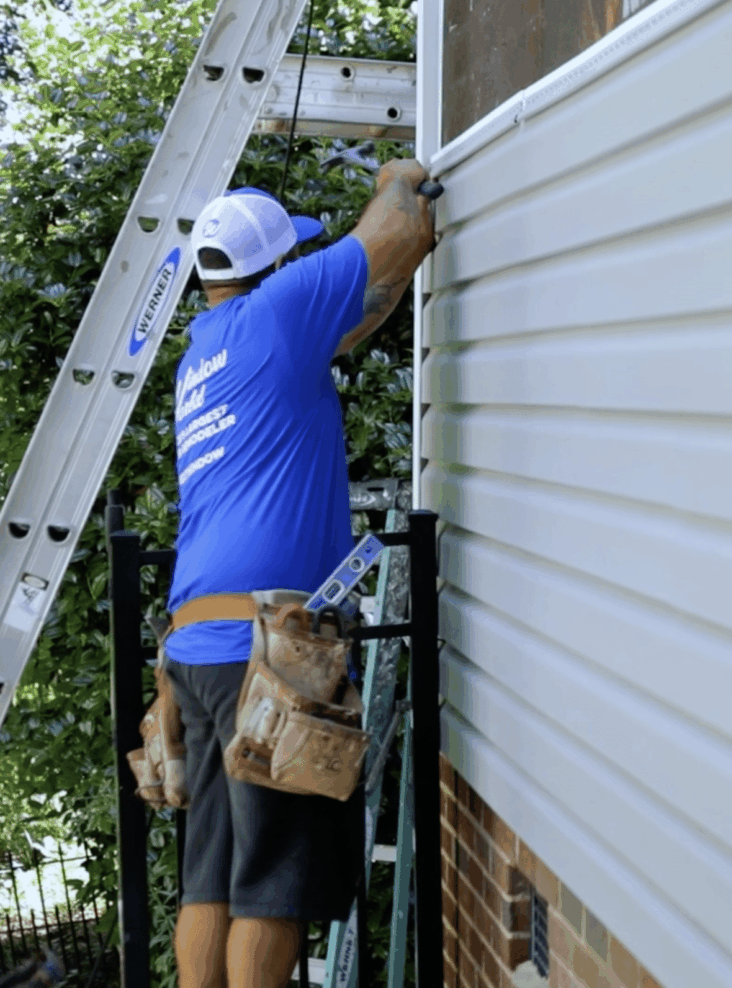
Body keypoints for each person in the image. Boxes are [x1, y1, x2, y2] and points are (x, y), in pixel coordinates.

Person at [160, 157, 435, 988]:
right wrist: (401, 166)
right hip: (267, 647)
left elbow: (365, 311)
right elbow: (395, 226)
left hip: (195, 646)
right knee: (271, 890)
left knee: (210, 876)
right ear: (276, 263)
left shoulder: (202, 357)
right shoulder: (281, 310)